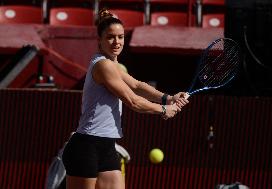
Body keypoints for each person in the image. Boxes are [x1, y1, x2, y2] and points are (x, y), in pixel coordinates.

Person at [62, 8, 189, 189]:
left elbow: (137, 86)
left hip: (107, 146)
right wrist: (163, 109)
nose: (117, 42)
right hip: (86, 146)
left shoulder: (114, 65)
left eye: (120, 37)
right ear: (99, 41)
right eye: (110, 37)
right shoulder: (103, 65)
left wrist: (168, 98)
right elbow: (133, 100)